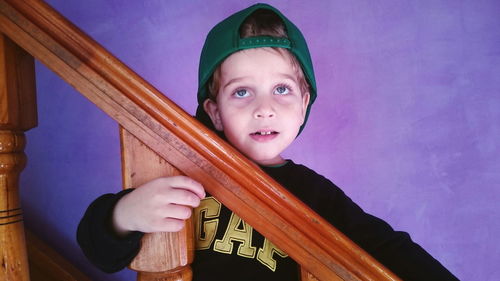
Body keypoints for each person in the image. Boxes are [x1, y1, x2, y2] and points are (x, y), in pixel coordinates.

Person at [77, 4, 458, 281]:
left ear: (304, 102)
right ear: (213, 110)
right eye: (242, 92)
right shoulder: (182, 166)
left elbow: (387, 247)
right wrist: (123, 215)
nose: (265, 108)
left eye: (282, 89)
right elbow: (96, 246)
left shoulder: (314, 193)